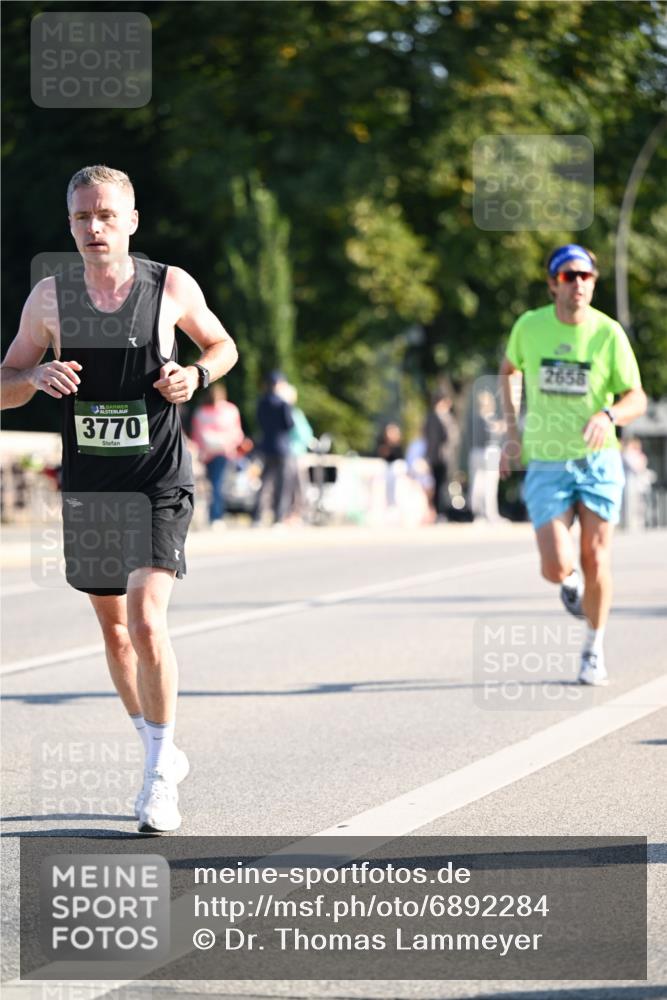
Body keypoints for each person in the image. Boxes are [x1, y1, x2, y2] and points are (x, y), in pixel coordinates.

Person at [0, 165, 238, 832]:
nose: (94, 227)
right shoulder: (50, 299)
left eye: (106, 215)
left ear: (131, 220)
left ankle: (159, 775)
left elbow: (223, 346)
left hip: (158, 479)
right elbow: (4, 382)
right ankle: (158, 743)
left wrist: (193, 374)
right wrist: (35, 376)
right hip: (92, 486)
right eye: (82, 217)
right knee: (113, 631)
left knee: (144, 618)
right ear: (69, 224)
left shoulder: (169, 287)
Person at [499, 244, 646, 686]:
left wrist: (609, 416)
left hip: (599, 461)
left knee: (596, 557)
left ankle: (593, 649)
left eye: (585, 276)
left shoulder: (609, 333)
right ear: (552, 284)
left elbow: (635, 397)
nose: (578, 283)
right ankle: (569, 586)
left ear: (594, 283)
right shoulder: (530, 326)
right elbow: (509, 369)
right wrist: (511, 430)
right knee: (556, 564)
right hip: (547, 460)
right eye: (568, 276)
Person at [191, 381, 245, 527]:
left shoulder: (201, 412)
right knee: (217, 484)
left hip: (211, 454)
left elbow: (197, 436)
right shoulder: (230, 410)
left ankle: (214, 514)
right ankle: (216, 515)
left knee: (215, 484)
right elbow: (237, 433)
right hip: (223, 452)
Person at [253, 371, 294, 525]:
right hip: (282, 447)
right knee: (282, 485)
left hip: (266, 445)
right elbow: (289, 424)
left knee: (264, 483)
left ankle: (257, 516)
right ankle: (278, 517)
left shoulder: (261, 402)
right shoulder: (283, 404)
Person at [425, 390, 460, 519]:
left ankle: (443, 511)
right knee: (438, 484)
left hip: (446, 456)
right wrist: (430, 458)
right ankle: (439, 512)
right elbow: (433, 440)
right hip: (438, 457)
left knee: (444, 484)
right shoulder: (434, 418)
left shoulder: (446, 417)